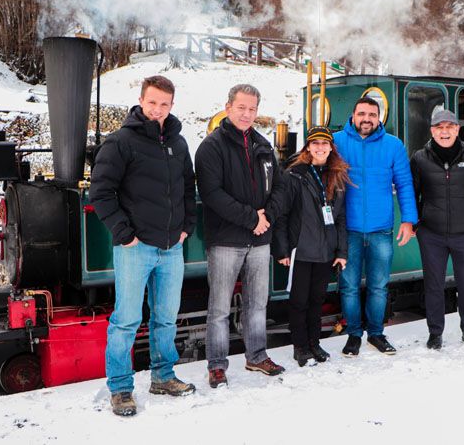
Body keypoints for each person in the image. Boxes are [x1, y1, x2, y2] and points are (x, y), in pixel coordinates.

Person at [90, 75, 197, 417]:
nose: (157, 110)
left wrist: (186, 228)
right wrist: (124, 234)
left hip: (171, 247)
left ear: (171, 106)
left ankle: (163, 376)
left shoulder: (179, 144)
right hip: (135, 247)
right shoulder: (121, 141)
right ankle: (121, 388)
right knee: (126, 320)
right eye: (152, 102)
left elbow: (187, 189)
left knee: (165, 318)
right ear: (141, 100)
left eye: (164, 104)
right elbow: (101, 193)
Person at [195, 84, 286, 388]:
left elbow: (280, 188)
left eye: (252, 109)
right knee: (219, 308)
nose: (247, 114)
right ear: (228, 106)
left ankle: (257, 356)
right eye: (241, 108)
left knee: (257, 304)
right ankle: (217, 365)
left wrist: (267, 218)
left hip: (260, 240)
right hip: (225, 241)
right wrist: (253, 219)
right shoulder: (211, 147)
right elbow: (212, 194)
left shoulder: (263, 146)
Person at [333, 97, 418, 357]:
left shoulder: (393, 145)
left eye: (372, 114)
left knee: (379, 286)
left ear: (379, 118)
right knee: (348, 286)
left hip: (381, 229)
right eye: (362, 113)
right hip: (348, 230)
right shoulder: (336, 142)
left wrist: (408, 220)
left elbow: (404, 183)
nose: (367, 118)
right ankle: (353, 336)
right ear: (353, 115)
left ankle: (377, 334)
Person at [410, 109, 464, 350]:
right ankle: (435, 333)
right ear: (432, 131)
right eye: (439, 127)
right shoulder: (419, 158)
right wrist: (415, 223)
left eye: (449, 127)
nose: (444, 132)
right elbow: (411, 193)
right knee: (433, 285)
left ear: (457, 129)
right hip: (431, 234)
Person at [272, 127, 349, 367]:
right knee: (299, 301)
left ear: (330, 148)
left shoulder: (336, 175)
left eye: (324, 144)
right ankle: (300, 346)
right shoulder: (294, 175)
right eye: (315, 144)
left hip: (325, 251)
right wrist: (283, 250)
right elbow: (282, 215)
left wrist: (341, 252)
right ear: (307, 148)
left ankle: (315, 343)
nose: (320, 148)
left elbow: (340, 218)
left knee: (317, 300)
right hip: (301, 250)